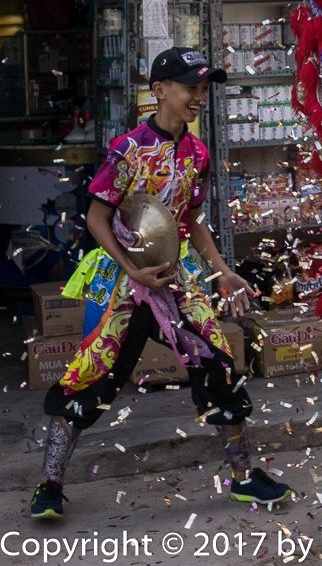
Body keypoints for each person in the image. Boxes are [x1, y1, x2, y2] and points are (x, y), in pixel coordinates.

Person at [30, 47, 292, 520]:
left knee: (219, 365)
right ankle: (49, 484)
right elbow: (96, 217)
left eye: (203, 88)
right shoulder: (127, 150)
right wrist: (130, 270)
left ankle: (244, 477)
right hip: (123, 285)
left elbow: (191, 221)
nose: (199, 97)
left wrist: (222, 269)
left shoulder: (197, 153)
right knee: (94, 376)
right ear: (160, 91)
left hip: (177, 281)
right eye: (191, 87)